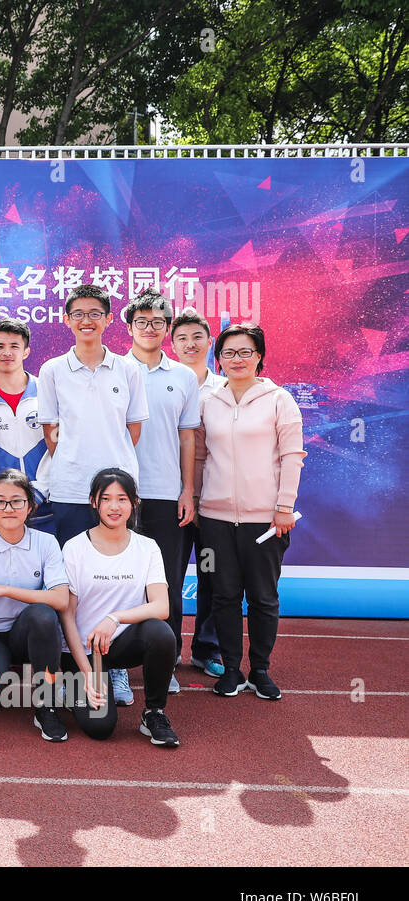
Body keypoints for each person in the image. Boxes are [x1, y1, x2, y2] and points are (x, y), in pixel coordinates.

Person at [38, 283, 149, 705]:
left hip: (117, 492)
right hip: (67, 488)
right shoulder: (51, 370)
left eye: (95, 313)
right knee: (72, 582)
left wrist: (111, 472)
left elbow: (133, 429)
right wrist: (77, 460)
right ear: (67, 320)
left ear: (107, 319)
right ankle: (73, 664)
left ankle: (115, 667)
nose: (86, 320)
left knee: (118, 582)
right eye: (78, 313)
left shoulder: (127, 369)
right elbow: (51, 431)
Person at [195, 324, 305, 700]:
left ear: (259, 356)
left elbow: (292, 456)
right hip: (214, 520)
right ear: (219, 359)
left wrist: (284, 506)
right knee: (222, 595)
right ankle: (230, 669)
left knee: (263, 596)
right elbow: (198, 456)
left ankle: (259, 670)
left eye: (245, 352)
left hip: (265, 521)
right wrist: (193, 500)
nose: (236, 360)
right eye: (228, 353)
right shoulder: (208, 401)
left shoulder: (279, 400)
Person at [59, 468, 180, 746]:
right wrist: (87, 674)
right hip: (85, 652)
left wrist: (115, 617)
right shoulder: (75, 548)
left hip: (122, 643)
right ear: (93, 502)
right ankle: (74, 685)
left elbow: (161, 607)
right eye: (106, 499)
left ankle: (154, 713)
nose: (114, 507)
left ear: (134, 503)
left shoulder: (147, 547)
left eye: (122, 499)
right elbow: (67, 617)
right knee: (100, 728)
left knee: (160, 632)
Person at [121, 288, 199, 694]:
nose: (149, 328)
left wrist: (187, 490)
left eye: (157, 322)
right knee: (114, 580)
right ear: (129, 327)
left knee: (166, 582)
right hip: (119, 496)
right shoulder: (114, 369)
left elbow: (188, 438)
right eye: (141, 322)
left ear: (167, 328)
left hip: (167, 493)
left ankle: (163, 664)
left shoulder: (184, 376)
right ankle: (112, 664)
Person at [0, 469, 71, 742]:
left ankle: (45, 705)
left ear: (30, 506)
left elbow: (60, 599)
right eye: (0, 501)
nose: (8, 508)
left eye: (17, 501)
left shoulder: (46, 543)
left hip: (25, 631)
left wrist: (4, 590)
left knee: (44, 615)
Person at [171, 308, 225, 677]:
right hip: (169, 499)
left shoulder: (226, 387)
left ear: (210, 342)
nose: (190, 344)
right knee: (168, 578)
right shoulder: (162, 382)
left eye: (197, 337)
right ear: (172, 345)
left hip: (214, 502)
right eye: (182, 338)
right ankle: (168, 649)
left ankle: (207, 648)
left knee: (212, 575)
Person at [0, 319, 53, 532]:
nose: (7, 353)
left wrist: (39, 492)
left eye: (14, 346)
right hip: (1, 507)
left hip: (46, 504)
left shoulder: (47, 392)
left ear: (26, 352)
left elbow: (59, 447)